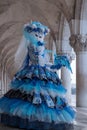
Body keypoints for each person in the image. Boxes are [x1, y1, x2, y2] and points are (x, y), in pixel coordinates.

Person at [0, 21, 76, 130]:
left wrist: (57, 65)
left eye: (41, 35)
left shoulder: (42, 48)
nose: (39, 37)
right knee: (32, 95)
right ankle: (30, 119)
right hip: (33, 72)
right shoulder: (32, 46)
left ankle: (40, 119)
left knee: (45, 97)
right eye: (36, 35)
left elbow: (45, 63)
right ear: (30, 35)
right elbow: (30, 60)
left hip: (44, 72)